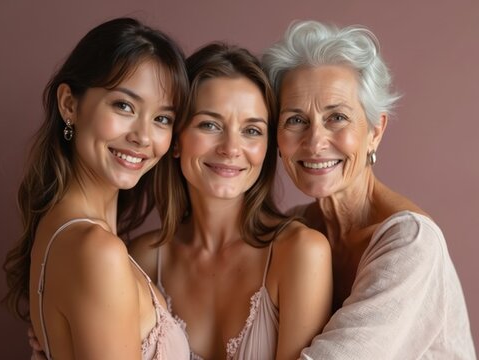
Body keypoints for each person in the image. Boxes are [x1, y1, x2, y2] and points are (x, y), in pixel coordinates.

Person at [262, 20, 477, 359]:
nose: (315, 141)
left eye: (337, 117)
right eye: (295, 120)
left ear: (375, 131)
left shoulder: (411, 242)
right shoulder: (293, 229)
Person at [2, 18, 191, 359]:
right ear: (69, 105)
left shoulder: (63, 229)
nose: (143, 137)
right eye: (124, 106)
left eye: (162, 118)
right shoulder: (96, 251)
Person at [129, 43, 333, 360]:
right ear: (176, 139)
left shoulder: (300, 253)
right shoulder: (143, 258)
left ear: (267, 147)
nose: (231, 147)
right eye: (210, 125)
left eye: (252, 130)